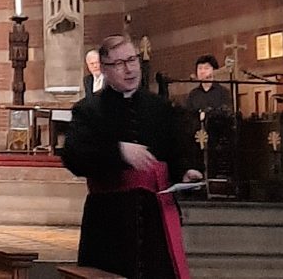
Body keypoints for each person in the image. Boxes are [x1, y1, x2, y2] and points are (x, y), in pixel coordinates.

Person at [63, 34, 202, 279]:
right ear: (104, 69)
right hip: (109, 223)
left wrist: (186, 172)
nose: (128, 69)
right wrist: (117, 151)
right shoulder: (88, 110)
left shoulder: (160, 107)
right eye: (119, 64)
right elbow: (74, 157)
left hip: (155, 222)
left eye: (132, 60)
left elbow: (177, 151)